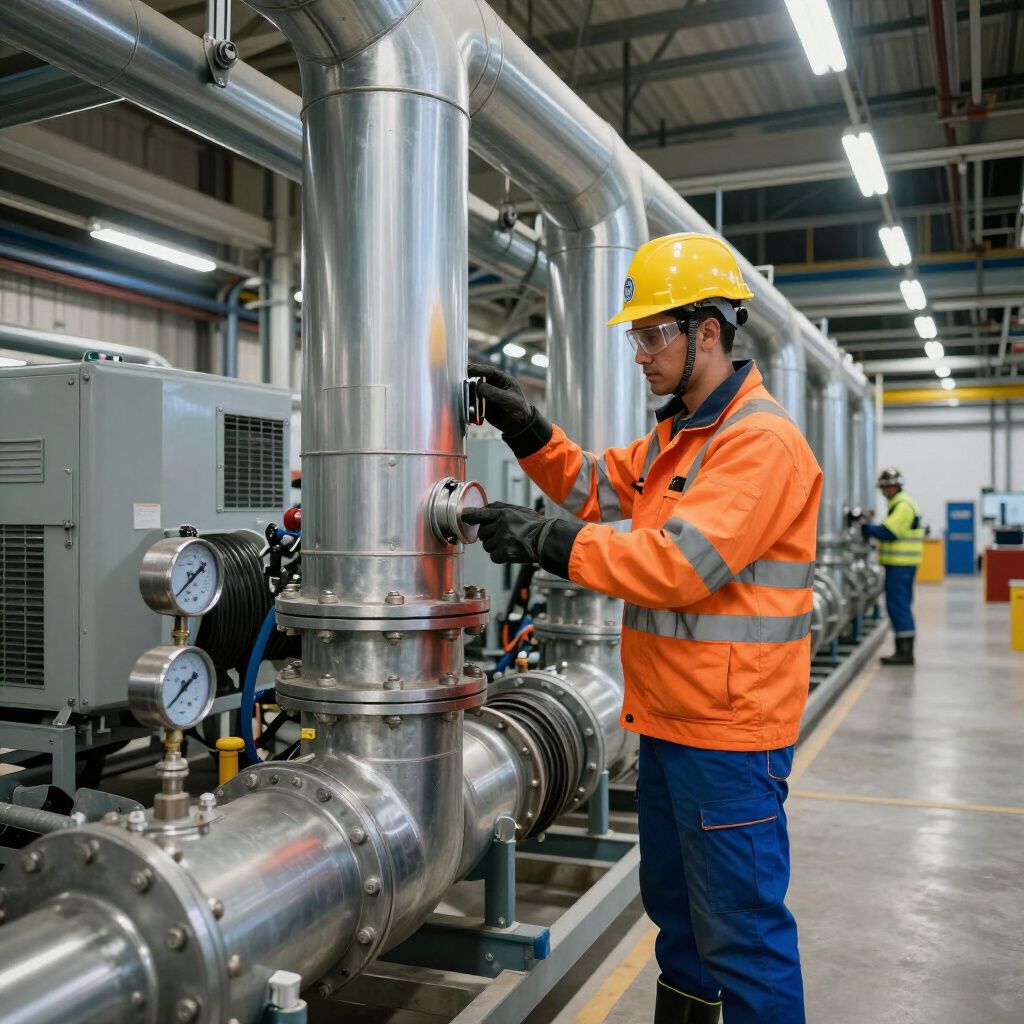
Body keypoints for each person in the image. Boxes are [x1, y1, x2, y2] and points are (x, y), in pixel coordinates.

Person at [463, 233, 822, 1024]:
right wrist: (529, 431)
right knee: (681, 924)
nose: (640, 352)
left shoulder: (757, 442)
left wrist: (548, 540)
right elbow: (597, 485)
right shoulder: (680, 435)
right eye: (636, 334)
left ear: (709, 330)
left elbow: (678, 567)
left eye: (654, 332)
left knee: (743, 936)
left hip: (731, 735)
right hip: (672, 721)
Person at [861, 467, 923, 666]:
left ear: (893, 487)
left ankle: (905, 653)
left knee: (899, 606)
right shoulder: (899, 504)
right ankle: (902, 649)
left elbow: (888, 532)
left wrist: (865, 527)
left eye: (884, 488)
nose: (883, 492)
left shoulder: (903, 505)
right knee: (898, 605)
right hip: (899, 566)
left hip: (901, 566)